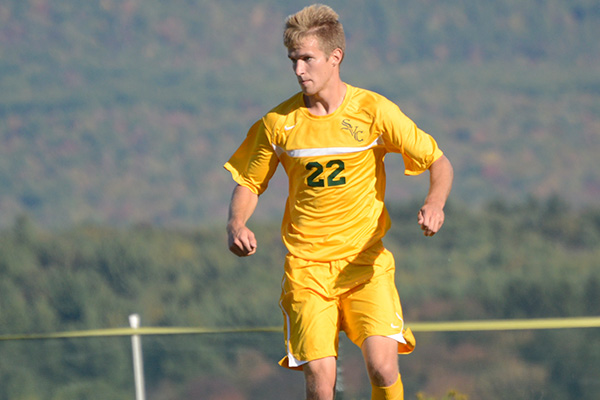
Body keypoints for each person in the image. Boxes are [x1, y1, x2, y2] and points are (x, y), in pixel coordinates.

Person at [224, 4, 453, 399]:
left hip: (365, 265)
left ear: (335, 58)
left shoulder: (373, 111)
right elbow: (248, 181)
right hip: (307, 271)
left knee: (382, 367)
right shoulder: (278, 124)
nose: (299, 70)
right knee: (321, 379)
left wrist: (435, 203)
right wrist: (236, 225)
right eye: (293, 60)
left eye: (307, 59)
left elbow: (439, 162)